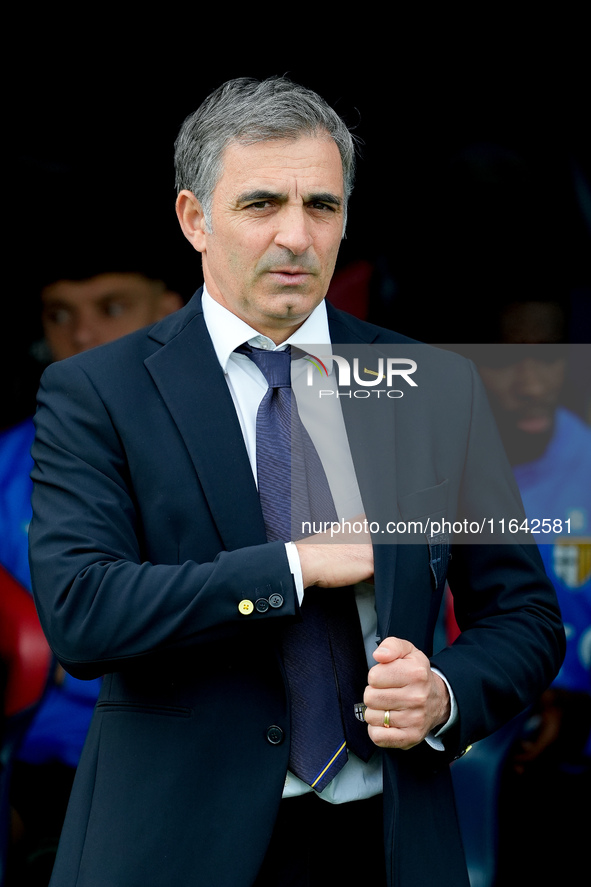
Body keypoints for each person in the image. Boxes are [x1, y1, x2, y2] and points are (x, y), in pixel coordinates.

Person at [27, 76, 565, 887]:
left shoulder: (433, 384)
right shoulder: (98, 392)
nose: (295, 236)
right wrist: (295, 566)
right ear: (193, 219)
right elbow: (82, 615)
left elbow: (523, 613)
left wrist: (446, 694)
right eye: (260, 205)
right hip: (173, 847)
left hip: (387, 844)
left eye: (321, 205)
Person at [0, 263, 182, 884]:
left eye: (110, 308)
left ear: (169, 312)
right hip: (37, 745)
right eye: (60, 315)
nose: (81, 335)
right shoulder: (11, 458)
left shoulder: (237, 440)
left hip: (184, 748)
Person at [474, 298, 591, 886]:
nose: (530, 383)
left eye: (547, 361)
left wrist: (569, 701)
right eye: (507, 362)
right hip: (467, 751)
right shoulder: (440, 477)